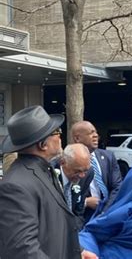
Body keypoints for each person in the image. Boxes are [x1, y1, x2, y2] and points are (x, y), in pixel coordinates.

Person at [0, 105, 97, 259]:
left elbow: (54, 226)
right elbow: (22, 250)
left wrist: (79, 251)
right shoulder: (15, 185)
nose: (60, 137)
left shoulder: (44, 170)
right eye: (57, 132)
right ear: (43, 145)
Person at [72, 120, 122, 221]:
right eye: (90, 133)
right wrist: (85, 202)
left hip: (108, 211)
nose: (95, 136)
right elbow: (66, 194)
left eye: (95, 132)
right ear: (77, 138)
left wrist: (105, 211)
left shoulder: (108, 157)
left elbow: (117, 186)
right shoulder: (68, 161)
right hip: (83, 217)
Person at [57, 143, 93, 227]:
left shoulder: (88, 174)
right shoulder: (49, 174)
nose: (82, 176)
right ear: (63, 163)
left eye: (85, 170)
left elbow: (79, 212)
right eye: (77, 171)